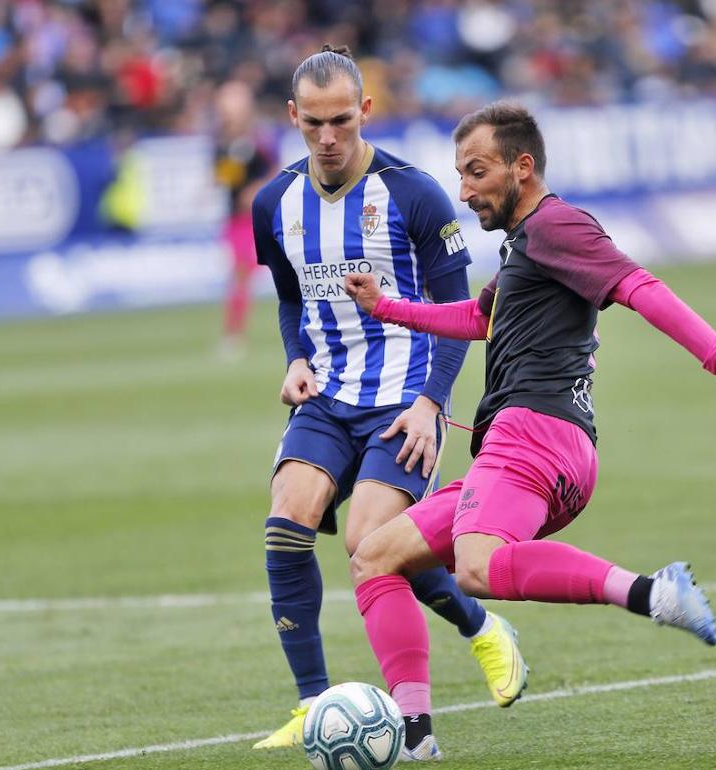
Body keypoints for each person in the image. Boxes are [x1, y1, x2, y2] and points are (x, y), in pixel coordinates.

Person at [342, 102, 716, 751]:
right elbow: (481, 320)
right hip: (543, 447)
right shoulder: (528, 246)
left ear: (522, 167)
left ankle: (651, 592)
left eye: (476, 171)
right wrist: (384, 306)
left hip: (531, 437)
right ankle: (414, 733)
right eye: (460, 174)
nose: (465, 189)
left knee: (475, 568)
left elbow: (640, 285)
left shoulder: (559, 226)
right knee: (377, 557)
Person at [249, 49, 527, 758]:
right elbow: (290, 297)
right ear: (294, 118)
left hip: (402, 399)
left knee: (370, 546)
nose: (329, 136)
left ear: (365, 110)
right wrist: (295, 360)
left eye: (342, 119)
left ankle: (482, 629)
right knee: (286, 525)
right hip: (327, 396)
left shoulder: (414, 194)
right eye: (314, 123)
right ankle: (314, 705)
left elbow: (462, 309)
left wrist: (433, 403)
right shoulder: (273, 203)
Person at [214, 80, 274, 360]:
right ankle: (234, 333)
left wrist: (256, 188)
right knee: (240, 275)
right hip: (234, 219)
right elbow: (224, 177)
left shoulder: (257, 139)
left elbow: (275, 169)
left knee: (244, 273)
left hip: (254, 217)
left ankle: (234, 335)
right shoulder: (223, 141)